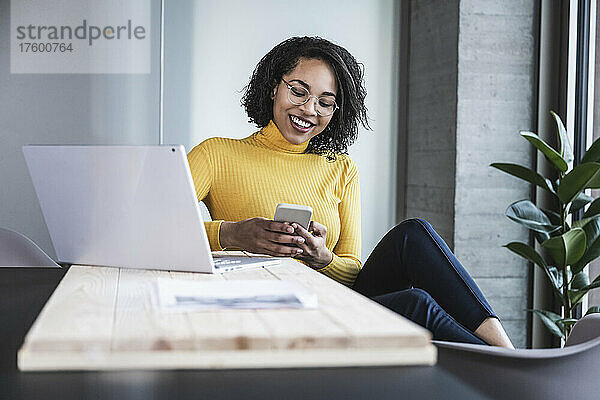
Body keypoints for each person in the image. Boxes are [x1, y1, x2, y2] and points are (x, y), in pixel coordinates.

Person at [187, 36, 514, 348]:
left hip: (338, 301)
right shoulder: (217, 154)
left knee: (414, 235)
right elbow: (151, 230)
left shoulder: (341, 169)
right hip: (273, 310)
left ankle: (511, 358)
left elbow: (352, 269)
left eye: (325, 102)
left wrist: (322, 257)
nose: (309, 109)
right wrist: (233, 234)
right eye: (299, 92)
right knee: (415, 303)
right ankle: (516, 374)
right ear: (274, 87)